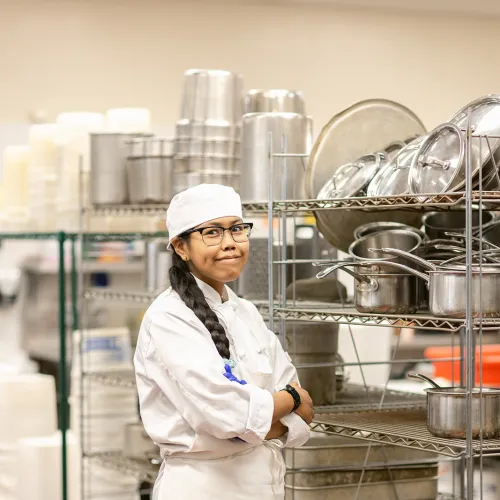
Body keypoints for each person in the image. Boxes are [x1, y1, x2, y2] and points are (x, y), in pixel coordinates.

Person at [134, 183, 314, 500]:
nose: (230, 243)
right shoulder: (169, 319)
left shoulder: (246, 313)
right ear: (181, 247)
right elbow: (228, 418)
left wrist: (259, 420)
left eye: (236, 230)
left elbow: (303, 409)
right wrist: (287, 399)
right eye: (212, 233)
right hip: (204, 488)